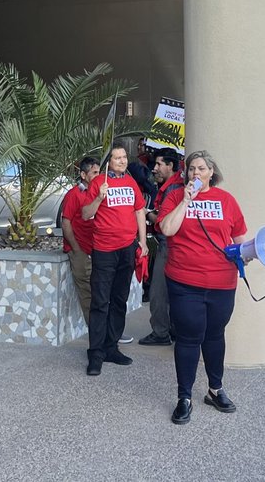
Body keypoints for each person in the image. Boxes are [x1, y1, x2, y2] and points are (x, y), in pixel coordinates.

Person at [156, 150, 248, 424]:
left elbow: (240, 236)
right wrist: (185, 201)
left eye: (201, 168)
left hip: (222, 281)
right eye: (191, 169)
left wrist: (248, 253)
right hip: (185, 281)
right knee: (187, 337)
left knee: (215, 335)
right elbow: (167, 229)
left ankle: (215, 389)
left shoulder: (226, 200)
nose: (195, 173)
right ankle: (184, 396)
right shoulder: (175, 197)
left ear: (211, 173)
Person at [80, 140, 147, 376]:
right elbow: (86, 215)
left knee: (119, 300)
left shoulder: (131, 183)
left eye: (124, 157)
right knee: (100, 302)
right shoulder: (99, 182)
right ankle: (95, 353)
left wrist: (143, 241)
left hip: (127, 249)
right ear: (108, 162)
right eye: (117, 157)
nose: (122, 160)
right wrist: (99, 198)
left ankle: (111, 347)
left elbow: (139, 210)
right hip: (104, 251)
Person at [140, 148, 184, 346]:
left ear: (170, 166)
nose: (154, 169)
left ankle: (160, 333)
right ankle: (174, 329)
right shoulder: (173, 186)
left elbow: (165, 222)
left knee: (158, 293)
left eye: (159, 164)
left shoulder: (172, 190)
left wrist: (146, 213)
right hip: (175, 246)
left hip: (169, 246)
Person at [61, 157, 100, 325]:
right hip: (81, 252)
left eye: (100, 172)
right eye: (94, 173)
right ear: (83, 175)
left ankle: (106, 332)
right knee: (88, 294)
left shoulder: (98, 193)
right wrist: (76, 249)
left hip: (96, 249)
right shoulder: (74, 194)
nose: (98, 176)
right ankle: (97, 334)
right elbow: (66, 222)